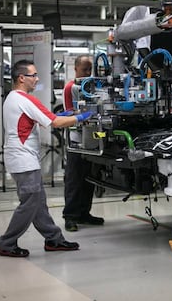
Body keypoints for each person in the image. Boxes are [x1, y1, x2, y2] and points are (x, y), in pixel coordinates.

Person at [0, 59, 93, 258]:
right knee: (30, 203)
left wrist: (67, 114)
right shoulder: (25, 99)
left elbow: (38, 120)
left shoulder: (12, 98)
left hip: (20, 159)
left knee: (38, 202)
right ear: (22, 78)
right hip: (24, 161)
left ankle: (54, 239)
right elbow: (55, 122)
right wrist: (83, 117)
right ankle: (6, 243)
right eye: (33, 75)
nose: (37, 79)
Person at [62, 55, 104, 232]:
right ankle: (70, 216)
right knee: (74, 179)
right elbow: (70, 112)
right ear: (76, 69)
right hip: (76, 140)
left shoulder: (94, 86)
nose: (88, 72)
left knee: (89, 178)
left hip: (92, 138)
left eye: (90, 69)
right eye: (84, 69)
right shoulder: (70, 87)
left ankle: (84, 213)